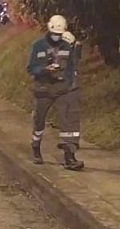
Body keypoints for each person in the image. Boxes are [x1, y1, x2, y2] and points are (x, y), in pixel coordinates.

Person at [26, 15, 84, 171]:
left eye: (60, 34)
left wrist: (75, 46)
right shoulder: (38, 46)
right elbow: (31, 67)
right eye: (54, 33)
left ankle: (69, 156)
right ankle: (36, 146)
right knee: (39, 120)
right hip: (43, 89)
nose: (56, 37)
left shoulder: (67, 45)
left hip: (62, 89)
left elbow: (74, 64)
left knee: (69, 120)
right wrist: (44, 70)